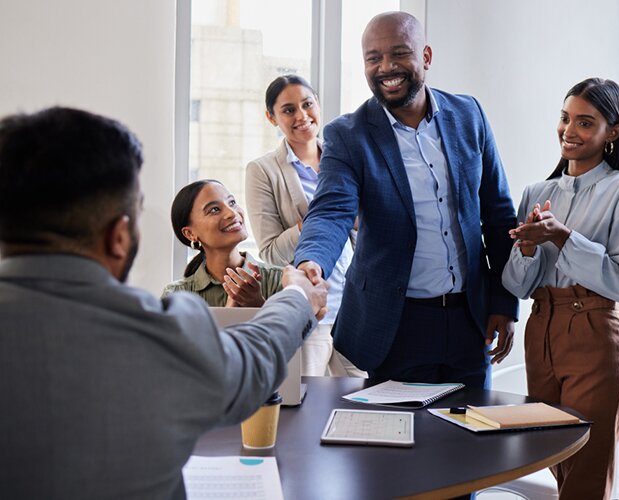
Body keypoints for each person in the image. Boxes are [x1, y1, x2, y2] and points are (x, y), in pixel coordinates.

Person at [0, 107, 327, 498]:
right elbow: (249, 363)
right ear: (119, 237)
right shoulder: (155, 326)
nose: (230, 213)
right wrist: (296, 297)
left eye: (230, 203)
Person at [294, 11, 519, 389]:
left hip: (470, 321)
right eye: (373, 58)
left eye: (399, 54)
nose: (386, 67)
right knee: (399, 442)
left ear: (426, 57)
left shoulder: (469, 115)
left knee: (470, 440)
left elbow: (498, 216)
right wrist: (310, 262)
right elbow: (332, 210)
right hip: (395, 324)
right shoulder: (348, 135)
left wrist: (503, 302)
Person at [502, 78, 619, 500]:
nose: (569, 130)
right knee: (554, 458)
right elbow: (516, 285)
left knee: (586, 468)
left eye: (586, 122)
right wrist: (527, 248)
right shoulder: (537, 192)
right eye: (565, 118)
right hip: (539, 329)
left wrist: (565, 238)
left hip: (593, 331)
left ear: (613, 132)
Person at [245, 75, 364, 376]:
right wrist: (312, 223)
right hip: (310, 311)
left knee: (363, 398)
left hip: (354, 308)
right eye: (288, 110)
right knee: (307, 405)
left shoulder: (343, 159)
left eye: (307, 104)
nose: (301, 116)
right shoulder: (263, 171)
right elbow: (270, 251)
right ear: (271, 117)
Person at [163, 179, 283, 307]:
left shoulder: (281, 280)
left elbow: (296, 327)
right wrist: (228, 314)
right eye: (214, 209)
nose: (232, 213)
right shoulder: (175, 296)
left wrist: (258, 304)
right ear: (190, 234)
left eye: (232, 202)